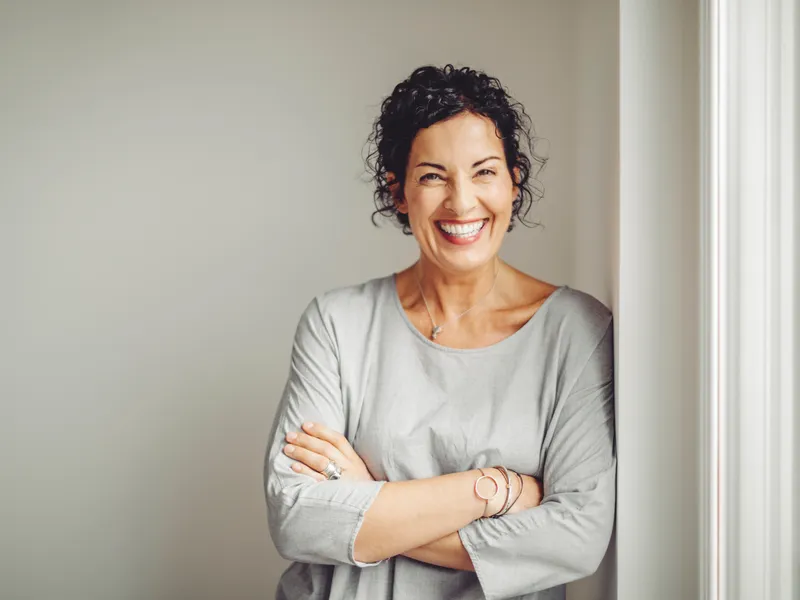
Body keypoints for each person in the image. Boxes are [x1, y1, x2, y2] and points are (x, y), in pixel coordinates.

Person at [263, 64, 616, 600]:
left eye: (484, 171)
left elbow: (574, 540)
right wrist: (496, 490)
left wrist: (368, 499)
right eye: (432, 175)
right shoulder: (336, 324)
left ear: (514, 180)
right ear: (398, 192)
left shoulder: (576, 331)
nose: (462, 202)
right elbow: (296, 516)